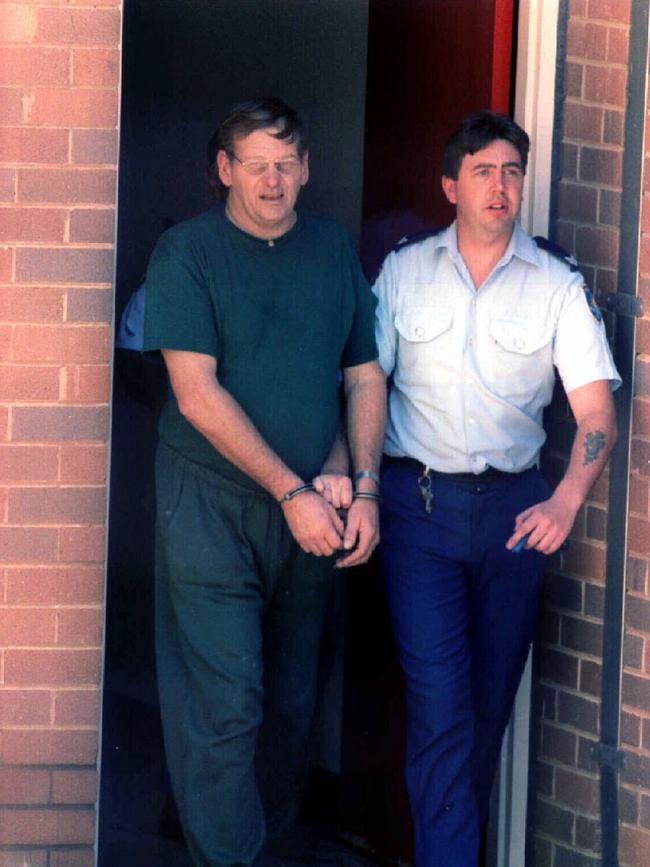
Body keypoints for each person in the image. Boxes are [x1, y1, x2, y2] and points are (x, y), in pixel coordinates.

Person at [142, 97, 386, 867]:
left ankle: (252, 845)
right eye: (256, 164)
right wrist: (294, 491)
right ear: (225, 171)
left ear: (307, 168)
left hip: (315, 508)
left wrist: (361, 481)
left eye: (287, 162)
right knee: (225, 703)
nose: (273, 179)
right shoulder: (187, 253)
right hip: (211, 506)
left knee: (291, 705)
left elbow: (363, 375)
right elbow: (196, 394)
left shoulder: (331, 249)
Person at [372, 110, 620, 867]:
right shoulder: (404, 270)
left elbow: (596, 411)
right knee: (443, 709)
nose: (500, 186)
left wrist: (566, 499)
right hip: (419, 510)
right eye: (483, 171)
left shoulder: (555, 284)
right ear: (451, 185)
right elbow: (363, 386)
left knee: (481, 712)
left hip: (516, 518)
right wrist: (352, 481)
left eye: (513, 171)